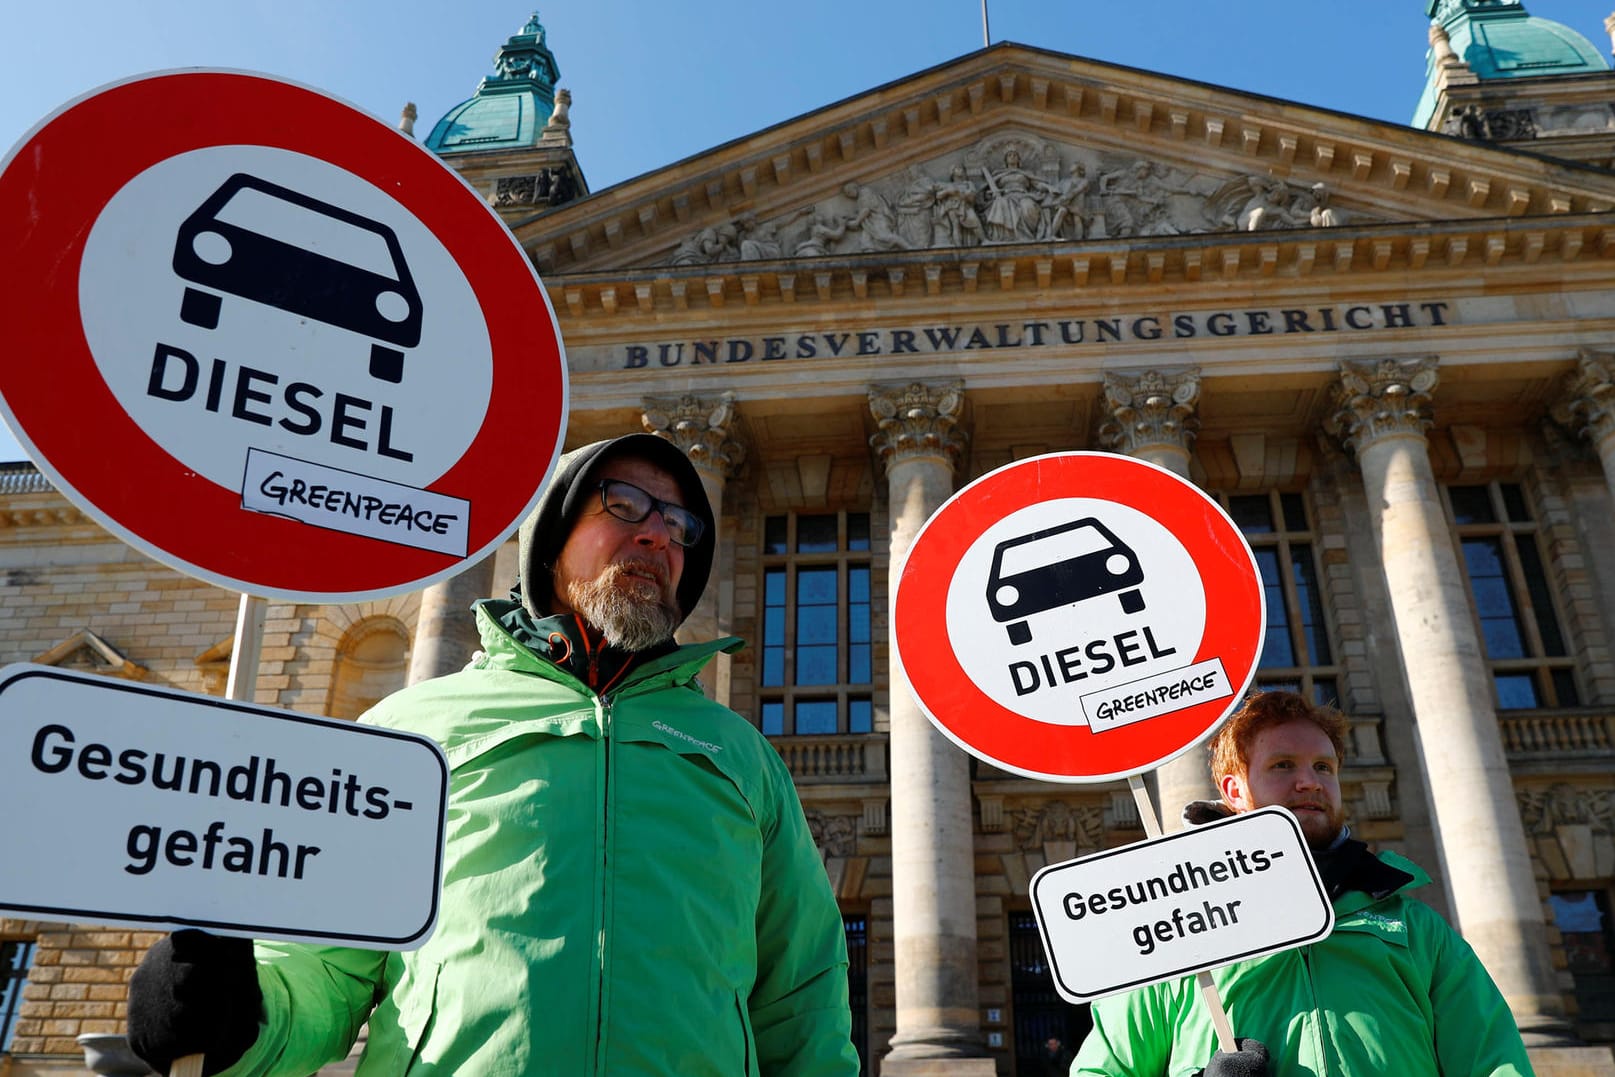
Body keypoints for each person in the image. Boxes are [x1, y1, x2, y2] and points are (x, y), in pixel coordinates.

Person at [126, 433, 862, 1077]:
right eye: (626, 506)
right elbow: (326, 968)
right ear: (550, 534)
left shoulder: (741, 753)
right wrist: (236, 1020)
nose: (657, 536)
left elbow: (801, 999)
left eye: (679, 524)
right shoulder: (410, 726)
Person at [1072, 689, 1533, 1077]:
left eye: (1323, 767)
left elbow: (1494, 1062)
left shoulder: (1415, 928)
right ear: (1235, 790)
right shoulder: (1173, 934)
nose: (1309, 782)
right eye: (1283, 766)